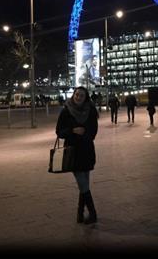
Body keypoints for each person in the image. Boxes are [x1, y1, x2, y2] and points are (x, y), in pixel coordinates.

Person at [55, 86, 99, 224]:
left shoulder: (91, 110)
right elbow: (59, 131)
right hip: (73, 151)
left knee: (84, 183)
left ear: (86, 98)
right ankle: (93, 214)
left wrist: (85, 133)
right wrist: (73, 131)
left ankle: (80, 214)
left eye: (81, 95)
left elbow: (94, 131)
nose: (78, 97)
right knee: (82, 182)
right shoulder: (66, 111)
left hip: (86, 150)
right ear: (73, 95)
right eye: (77, 94)